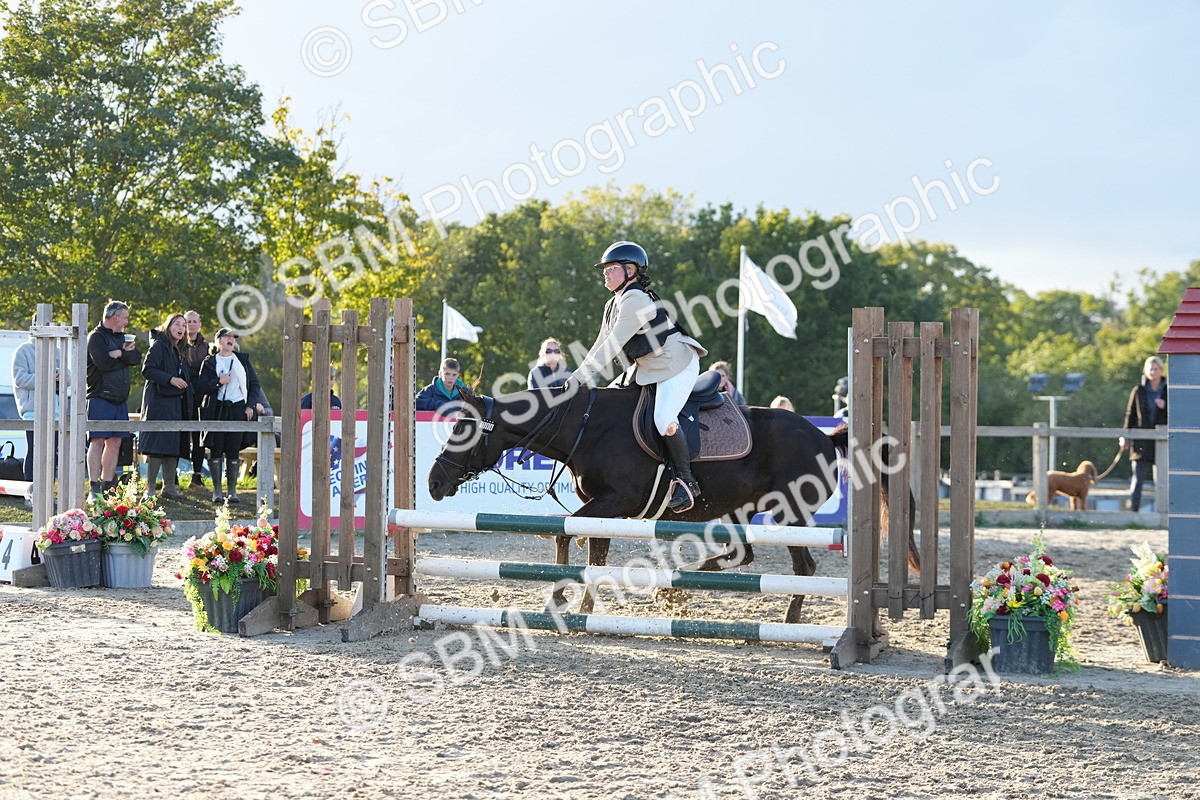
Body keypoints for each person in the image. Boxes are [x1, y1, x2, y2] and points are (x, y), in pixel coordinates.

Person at [572, 240, 708, 513]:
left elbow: (611, 348)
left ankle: (686, 481)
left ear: (631, 270)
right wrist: (576, 377)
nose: (605, 273)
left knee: (663, 419)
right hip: (649, 366)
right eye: (605, 268)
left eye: (612, 268)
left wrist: (575, 381)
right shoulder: (614, 303)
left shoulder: (635, 299)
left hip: (676, 362)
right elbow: (601, 342)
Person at [197, 328, 264, 505]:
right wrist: (219, 382)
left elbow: (254, 385)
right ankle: (217, 492)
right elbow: (201, 387)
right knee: (216, 449)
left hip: (238, 408)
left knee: (233, 449)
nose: (230, 339)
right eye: (226, 336)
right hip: (217, 409)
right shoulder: (210, 362)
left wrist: (250, 405)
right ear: (218, 340)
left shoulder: (242, 360)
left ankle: (232, 492)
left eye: (233, 337)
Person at [86, 300, 142, 498]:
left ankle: (108, 486)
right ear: (114, 317)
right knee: (98, 440)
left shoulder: (122, 338)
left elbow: (136, 358)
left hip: (120, 399)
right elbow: (103, 363)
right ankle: (93, 486)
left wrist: (119, 354)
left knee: (116, 441)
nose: (126, 322)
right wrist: (121, 355)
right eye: (125, 317)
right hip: (100, 397)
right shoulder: (96, 337)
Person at [139, 313, 192, 498]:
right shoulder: (159, 345)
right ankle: (150, 488)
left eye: (183, 325)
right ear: (168, 327)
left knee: (172, 444)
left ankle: (169, 487)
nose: (181, 328)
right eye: (177, 324)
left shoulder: (182, 349)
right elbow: (147, 370)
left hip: (176, 403)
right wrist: (170, 379)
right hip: (159, 402)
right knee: (157, 445)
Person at [12, 315, 68, 483]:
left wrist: (60, 375)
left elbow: (69, 378)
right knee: (35, 451)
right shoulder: (23, 350)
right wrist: (47, 376)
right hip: (32, 411)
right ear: (34, 326)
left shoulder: (57, 351)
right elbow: (19, 379)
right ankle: (31, 491)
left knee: (53, 454)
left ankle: (48, 492)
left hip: (56, 411)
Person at [1120, 356, 1168, 512]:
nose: (1153, 372)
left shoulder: (1169, 390)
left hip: (1162, 441)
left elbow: (1178, 413)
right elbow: (1130, 414)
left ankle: (1163, 512)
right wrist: (1125, 436)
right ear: (1145, 371)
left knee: (1161, 479)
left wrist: (1165, 406)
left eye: (1156, 369)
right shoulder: (1138, 390)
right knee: (1138, 477)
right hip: (1141, 441)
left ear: (1161, 370)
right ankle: (1133, 512)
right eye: (1150, 369)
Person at [181, 310, 208, 488]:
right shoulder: (178, 345)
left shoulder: (207, 347)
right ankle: (173, 477)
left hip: (200, 394)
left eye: (194, 321)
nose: (191, 324)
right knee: (179, 434)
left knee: (199, 436)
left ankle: (197, 475)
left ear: (199, 324)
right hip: (182, 393)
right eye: (187, 321)